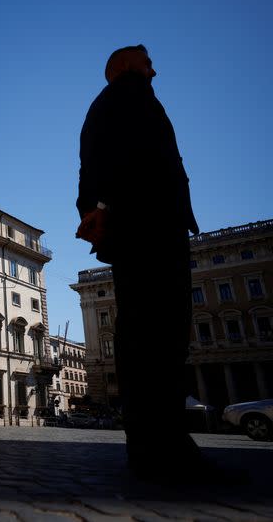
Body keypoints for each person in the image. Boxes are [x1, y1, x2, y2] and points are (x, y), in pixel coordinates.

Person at [76, 45, 201, 478]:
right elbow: (116, 164)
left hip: (140, 223)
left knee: (148, 329)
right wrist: (96, 208)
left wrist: (93, 209)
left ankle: (153, 443)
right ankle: (162, 447)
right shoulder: (127, 98)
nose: (155, 69)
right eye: (148, 62)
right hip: (150, 222)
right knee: (159, 331)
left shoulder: (109, 104)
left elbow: (91, 168)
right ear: (128, 67)